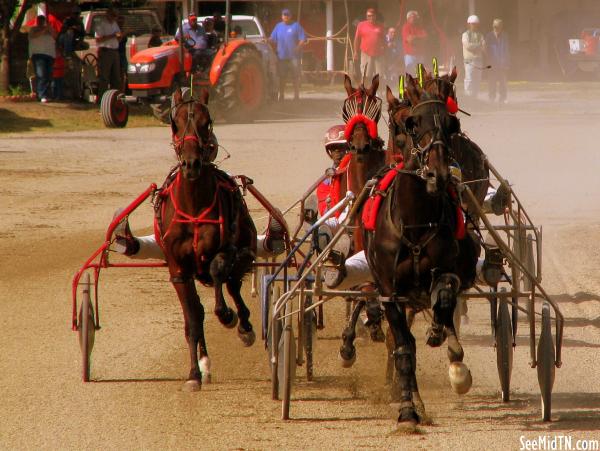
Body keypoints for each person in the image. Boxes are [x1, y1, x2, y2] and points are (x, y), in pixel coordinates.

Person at [269, 9, 307, 101]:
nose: (285, 16)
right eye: (284, 15)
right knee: (282, 77)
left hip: (294, 57)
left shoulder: (296, 26)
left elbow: (303, 38)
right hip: (281, 57)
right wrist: (266, 40)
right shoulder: (278, 26)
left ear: (290, 16)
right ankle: (281, 96)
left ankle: (296, 96)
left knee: (295, 77)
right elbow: (272, 38)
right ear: (282, 16)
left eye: (287, 15)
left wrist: (298, 47)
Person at [95, 8, 122, 101]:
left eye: (115, 16)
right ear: (108, 15)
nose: (114, 17)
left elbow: (118, 36)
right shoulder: (101, 24)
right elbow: (98, 39)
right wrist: (113, 35)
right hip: (106, 51)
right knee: (104, 77)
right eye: (113, 15)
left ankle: (115, 99)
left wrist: (119, 37)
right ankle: (102, 99)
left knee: (116, 77)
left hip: (115, 51)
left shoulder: (115, 24)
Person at [29, 15, 57, 103]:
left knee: (49, 75)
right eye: (39, 20)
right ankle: (42, 95)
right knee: (41, 75)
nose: (41, 22)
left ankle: (47, 94)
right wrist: (44, 29)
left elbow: (55, 36)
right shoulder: (33, 29)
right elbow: (34, 36)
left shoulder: (49, 29)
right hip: (38, 54)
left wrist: (50, 28)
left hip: (50, 54)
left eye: (42, 20)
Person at [353, 8, 385, 84]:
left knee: (379, 74)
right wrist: (355, 52)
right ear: (366, 17)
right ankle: (364, 91)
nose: (371, 18)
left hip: (379, 53)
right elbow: (356, 39)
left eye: (372, 16)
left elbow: (384, 39)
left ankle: (377, 92)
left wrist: (384, 47)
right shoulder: (361, 25)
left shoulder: (380, 26)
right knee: (365, 74)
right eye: (369, 16)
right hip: (366, 52)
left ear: (375, 16)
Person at [485, 19, 509, 104]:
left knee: (503, 82)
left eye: (498, 26)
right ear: (493, 26)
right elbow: (486, 50)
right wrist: (488, 62)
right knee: (492, 82)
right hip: (492, 63)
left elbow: (506, 50)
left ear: (501, 27)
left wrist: (506, 62)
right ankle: (491, 97)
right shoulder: (489, 36)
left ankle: (503, 98)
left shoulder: (504, 36)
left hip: (502, 63)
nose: (496, 28)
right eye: (494, 26)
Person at [462, 15, 485, 98]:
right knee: (469, 79)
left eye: (475, 24)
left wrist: (475, 46)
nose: (474, 25)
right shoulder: (465, 35)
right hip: (469, 61)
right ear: (469, 24)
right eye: (472, 24)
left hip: (478, 60)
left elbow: (484, 46)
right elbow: (467, 46)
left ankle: (475, 98)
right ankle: (468, 98)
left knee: (477, 80)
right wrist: (478, 46)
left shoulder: (480, 35)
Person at [402, 10, 427, 75]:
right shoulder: (406, 27)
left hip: (420, 54)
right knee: (410, 73)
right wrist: (419, 37)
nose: (414, 19)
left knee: (420, 73)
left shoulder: (420, 27)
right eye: (412, 17)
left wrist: (414, 37)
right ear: (408, 18)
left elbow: (425, 37)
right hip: (409, 54)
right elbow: (409, 39)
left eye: (415, 17)